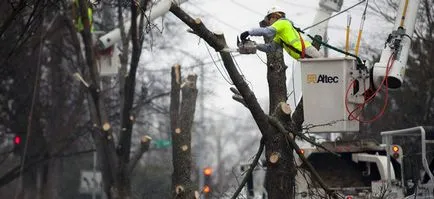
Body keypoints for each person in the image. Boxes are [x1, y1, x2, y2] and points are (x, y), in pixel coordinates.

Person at [240, 6, 321, 59]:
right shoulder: (279, 35)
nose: (268, 23)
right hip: (305, 56)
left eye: (269, 20)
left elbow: (267, 31)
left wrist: (248, 32)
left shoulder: (282, 23)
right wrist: (255, 45)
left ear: (275, 16)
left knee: (327, 74)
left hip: (308, 52)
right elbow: (270, 48)